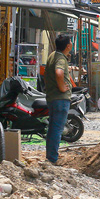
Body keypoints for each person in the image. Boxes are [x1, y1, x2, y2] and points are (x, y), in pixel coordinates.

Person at [44, 34, 73, 165]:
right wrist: (62, 88)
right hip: (60, 98)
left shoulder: (52, 55)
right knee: (57, 129)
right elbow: (59, 73)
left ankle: (50, 156)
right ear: (68, 46)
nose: (72, 44)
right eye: (71, 42)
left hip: (52, 97)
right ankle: (52, 159)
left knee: (52, 128)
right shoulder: (61, 59)